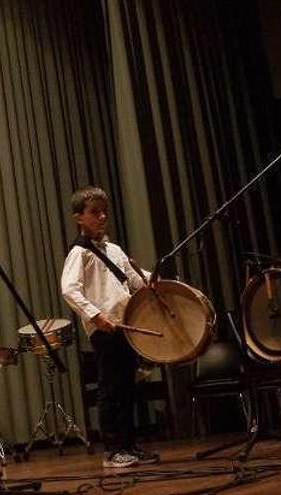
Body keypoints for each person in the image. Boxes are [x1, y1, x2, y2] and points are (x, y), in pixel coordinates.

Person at [60, 186, 159, 469]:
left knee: (127, 387)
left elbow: (134, 279)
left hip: (126, 325)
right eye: (94, 212)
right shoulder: (80, 252)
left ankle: (128, 444)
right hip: (105, 329)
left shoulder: (113, 249)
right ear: (79, 217)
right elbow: (69, 289)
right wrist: (96, 316)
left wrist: (156, 280)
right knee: (111, 388)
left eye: (104, 212)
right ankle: (113, 449)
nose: (102, 217)